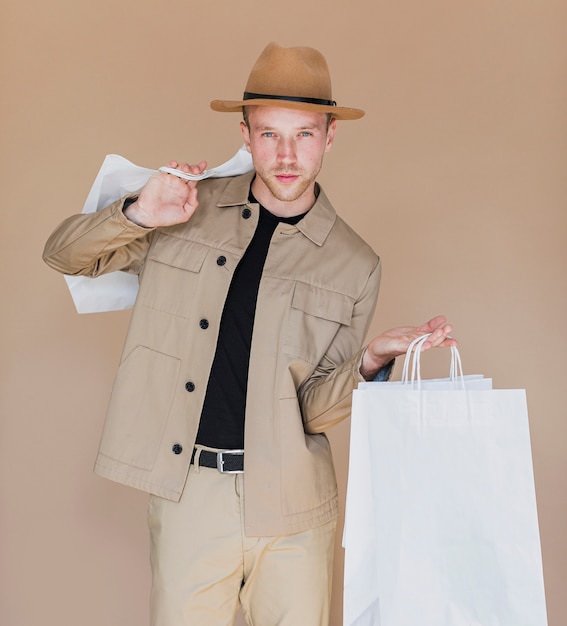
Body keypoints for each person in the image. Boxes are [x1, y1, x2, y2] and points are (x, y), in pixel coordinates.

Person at [43, 42, 455, 626]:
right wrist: (137, 212)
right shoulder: (182, 208)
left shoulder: (355, 263)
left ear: (330, 136)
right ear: (244, 134)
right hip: (191, 495)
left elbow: (311, 409)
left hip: (295, 508)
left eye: (304, 135)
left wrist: (370, 361)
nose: (287, 155)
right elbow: (64, 256)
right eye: (269, 135)